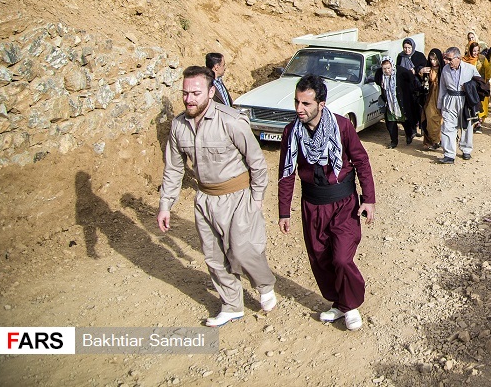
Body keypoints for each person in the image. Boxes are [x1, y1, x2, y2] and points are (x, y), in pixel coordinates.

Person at [157, 65, 276, 327]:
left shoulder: (231, 120)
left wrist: (256, 199)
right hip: (204, 200)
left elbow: (257, 163)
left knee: (243, 251)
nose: (189, 99)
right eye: (185, 93)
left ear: (211, 92)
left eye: (196, 93)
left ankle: (265, 285)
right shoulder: (178, 126)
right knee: (213, 256)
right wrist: (165, 205)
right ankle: (232, 304)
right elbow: (174, 168)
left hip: (238, 197)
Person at [278, 74, 376, 330]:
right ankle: (338, 303)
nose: (299, 109)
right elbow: (287, 173)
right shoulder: (291, 132)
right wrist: (284, 211)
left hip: (343, 203)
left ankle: (351, 305)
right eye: (297, 102)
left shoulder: (342, 126)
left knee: (342, 258)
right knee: (320, 259)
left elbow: (361, 161)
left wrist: (369, 199)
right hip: (312, 204)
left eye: (306, 104)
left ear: (321, 103)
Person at [438, 46, 478, 163]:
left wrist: (469, 88)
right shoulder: (445, 70)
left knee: (466, 125)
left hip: (465, 100)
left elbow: (479, 84)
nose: (447, 62)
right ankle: (449, 154)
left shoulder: (470, 69)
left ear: (458, 58)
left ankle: (466, 150)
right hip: (449, 100)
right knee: (447, 126)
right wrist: (440, 105)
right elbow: (442, 88)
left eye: (450, 59)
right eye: (446, 59)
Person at [375, 57, 418, 148]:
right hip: (389, 103)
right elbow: (378, 82)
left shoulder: (401, 72)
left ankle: (409, 135)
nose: (386, 71)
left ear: (392, 66)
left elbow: (411, 80)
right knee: (391, 123)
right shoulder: (380, 75)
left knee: (404, 120)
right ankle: (394, 141)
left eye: (388, 68)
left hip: (401, 102)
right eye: (384, 68)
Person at [395, 38, 428, 136]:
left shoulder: (419, 56)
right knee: (409, 108)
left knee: (420, 108)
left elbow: (424, 67)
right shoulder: (400, 56)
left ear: (413, 47)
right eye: (405, 48)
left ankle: (422, 129)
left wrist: (416, 71)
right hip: (405, 86)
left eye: (409, 47)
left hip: (418, 86)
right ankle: (412, 129)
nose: (407, 50)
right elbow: (398, 68)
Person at [419, 49, 444, 150]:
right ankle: (432, 140)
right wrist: (421, 72)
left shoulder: (444, 69)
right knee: (429, 118)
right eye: (431, 59)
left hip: (441, 97)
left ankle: (439, 140)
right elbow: (422, 82)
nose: (433, 62)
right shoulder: (428, 70)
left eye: (435, 59)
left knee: (439, 120)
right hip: (430, 99)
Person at [462, 41, 490, 129]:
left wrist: (487, 83)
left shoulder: (482, 58)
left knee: (481, 103)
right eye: (474, 51)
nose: (476, 53)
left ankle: (479, 123)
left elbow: (488, 71)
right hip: (469, 87)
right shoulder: (464, 60)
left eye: (477, 51)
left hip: (479, 86)